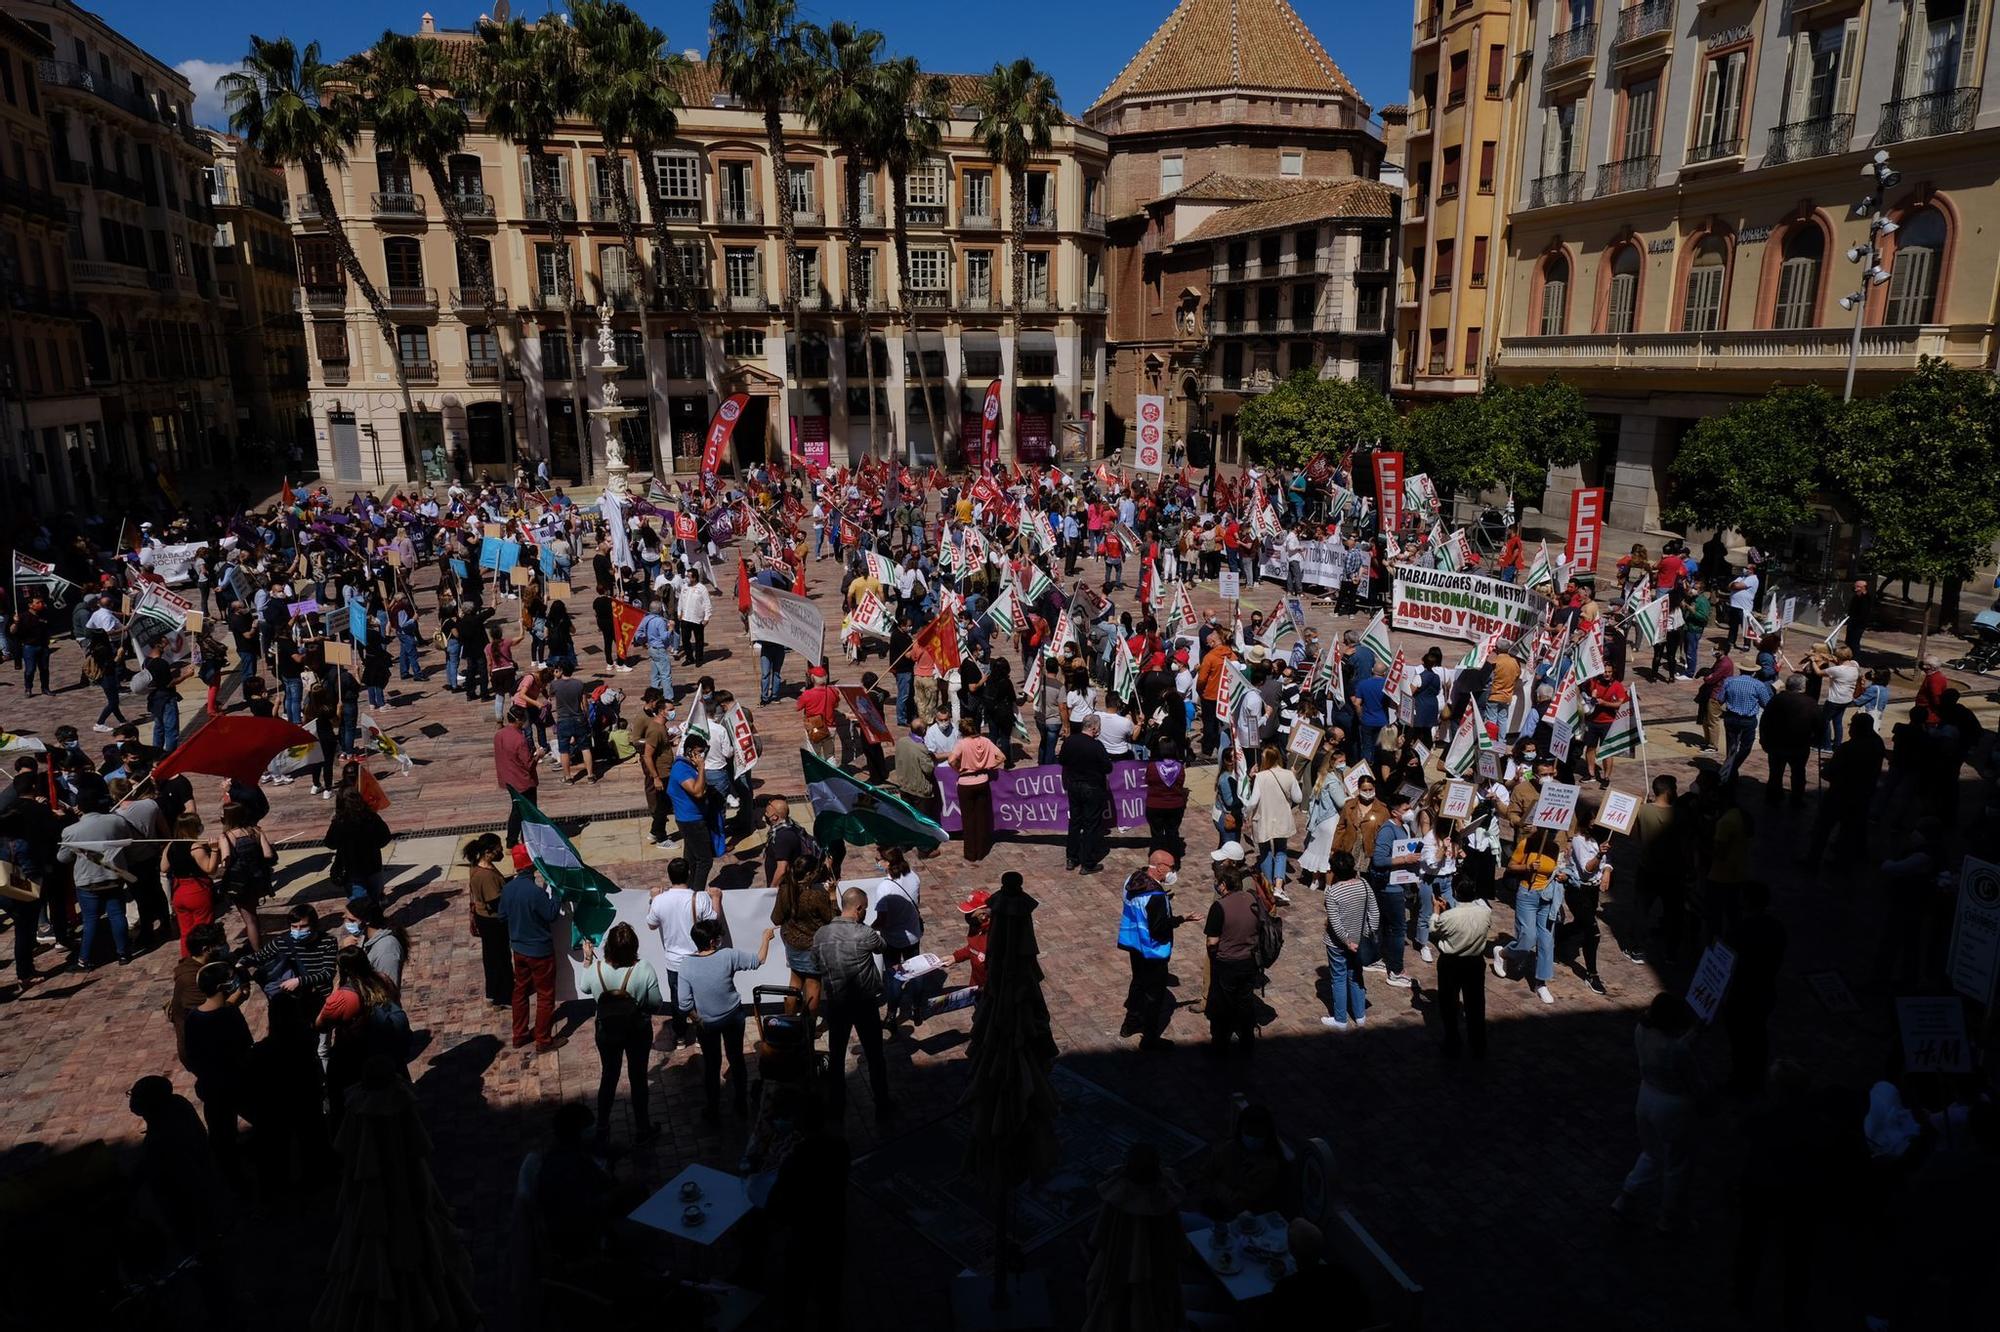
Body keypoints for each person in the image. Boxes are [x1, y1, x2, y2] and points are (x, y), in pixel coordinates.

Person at [1613, 992, 1705, 1232]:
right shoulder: (1676, 1050)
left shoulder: (1642, 1031)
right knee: (1677, 1166)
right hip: (1674, 1108)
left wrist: (1693, 1034)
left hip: (1646, 1097)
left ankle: (1627, 1196)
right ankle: (1670, 1218)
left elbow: (1671, 1050)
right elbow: (1694, 1081)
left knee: (1651, 1153)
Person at [678, 918, 776, 1122]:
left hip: (707, 1023)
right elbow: (759, 960)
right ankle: (741, 1103)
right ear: (713, 942)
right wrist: (766, 939)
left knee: (712, 1066)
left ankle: (712, 1108)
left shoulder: (686, 965)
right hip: (733, 1017)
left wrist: (698, 1021)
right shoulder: (728, 956)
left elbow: (684, 1005)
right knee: (736, 1058)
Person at [576, 922, 665, 1145]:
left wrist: (587, 960)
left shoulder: (596, 969)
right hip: (637, 1031)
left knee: (609, 1076)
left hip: (606, 1031)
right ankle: (642, 1127)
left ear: (607, 949)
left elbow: (585, 988)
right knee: (638, 1078)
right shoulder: (644, 969)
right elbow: (656, 1004)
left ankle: (603, 1125)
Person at [813, 886, 894, 1121]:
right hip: (864, 1003)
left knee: (836, 1056)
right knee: (875, 1055)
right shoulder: (864, 934)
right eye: (865, 909)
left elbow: (816, 964)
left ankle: (837, 1103)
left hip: (836, 1003)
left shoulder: (821, 934)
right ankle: (882, 1102)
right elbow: (883, 947)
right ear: (858, 909)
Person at [57, 778, 135, 968]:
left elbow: (63, 858)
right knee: (117, 914)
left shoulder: (71, 831)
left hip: (87, 880)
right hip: (114, 875)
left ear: (79, 807)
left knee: (90, 919)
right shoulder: (116, 821)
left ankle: (85, 959)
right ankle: (124, 953)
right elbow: (126, 838)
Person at [181, 957, 254, 1162]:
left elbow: (192, 1054)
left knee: (221, 1135)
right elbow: (245, 1046)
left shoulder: (193, 1018)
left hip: (210, 1086)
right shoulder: (230, 1016)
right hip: (237, 1082)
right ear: (223, 986)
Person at [1118, 850, 1190, 1051]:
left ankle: (1129, 1024)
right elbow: (1159, 927)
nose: (1173, 871)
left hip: (1134, 943)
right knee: (1153, 995)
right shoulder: (1156, 896)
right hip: (1153, 950)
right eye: (1171, 867)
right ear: (1159, 868)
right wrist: (1180, 919)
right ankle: (1149, 1038)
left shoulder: (1131, 880)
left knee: (1138, 983)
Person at [644, 855, 719, 1045]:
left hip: (674, 962)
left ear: (669, 876)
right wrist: (717, 899)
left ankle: (679, 1035)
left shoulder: (660, 901)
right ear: (689, 874)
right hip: (698, 959)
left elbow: (651, 925)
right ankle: (703, 1033)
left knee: (678, 1001)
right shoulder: (700, 898)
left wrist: (653, 900)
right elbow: (714, 923)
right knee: (701, 997)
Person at [500, 843, 563, 1052]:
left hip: (518, 950)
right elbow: (552, 914)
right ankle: (543, 1040)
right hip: (540, 952)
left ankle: (519, 1034)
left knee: (520, 992)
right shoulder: (535, 893)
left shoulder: (507, 889)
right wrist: (557, 895)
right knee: (545, 995)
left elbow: (502, 916)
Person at [1496, 826, 1563, 1004]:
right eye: (1550, 831)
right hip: (1527, 894)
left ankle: (1541, 982)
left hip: (1547, 896)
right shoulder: (1527, 844)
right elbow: (1510, 866)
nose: (1553, 834)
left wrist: (1560, 876)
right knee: (1528, 937)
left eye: (1555, 831)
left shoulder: (1555, 848)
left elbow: (1555, 870)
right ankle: (1503, 953)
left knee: (1547, 940)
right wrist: (1528, 866)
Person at [1202, 861, 1262, 1053]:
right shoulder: (1252, 899)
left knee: (1223, 1006)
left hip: (1227, 963)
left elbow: (1212, 941)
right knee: (1245, 1001)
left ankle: (1221, 1045)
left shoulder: (1219, 907)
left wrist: (1213, 958)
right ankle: (1247, 1041)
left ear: (1223, 884)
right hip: (1249, 961)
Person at [1431, 875, 1492, 1057]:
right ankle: (1478, 1043)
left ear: (1455, 892)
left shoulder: (1449, 916)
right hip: (1475, 962)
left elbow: (1434, 929)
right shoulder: (1485, 912)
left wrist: (1436, 911)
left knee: (1448, 1004)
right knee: (1476, 1003)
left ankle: (1453, 1040)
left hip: (1451, 963)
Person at [772, 850, 838, 1012]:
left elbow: (776, 918)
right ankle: (810, 1026)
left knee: (794, 983)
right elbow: (834, 919)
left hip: (793, 944)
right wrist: (832, 896)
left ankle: (789, 1020)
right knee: (813, 984)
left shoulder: (785, 889)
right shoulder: (816, 895)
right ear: (809, 874)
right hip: (813, 946)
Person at [1244, 741, 1304, 905]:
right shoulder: (1289, 775)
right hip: (1282, 817)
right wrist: (1294, 778)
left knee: (1265, 852)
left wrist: (1246, 813)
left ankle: (1269, 886)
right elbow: (1298, 798)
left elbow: (1253, 800)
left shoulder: (1260, 777)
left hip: (1263, 818)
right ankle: (1279, 886)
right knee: (1281, 851)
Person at [946, 713, 1006, 862]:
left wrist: (959, 769)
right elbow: (1001, 757)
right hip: (982, 781)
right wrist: (988, 766)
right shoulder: (985, 741)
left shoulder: (962, 744)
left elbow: (951, 760)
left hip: (966, 783)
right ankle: (981, 850)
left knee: (968, 819)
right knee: (981, 817)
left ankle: (971, 853)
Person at [1061, 708, 1115, 872]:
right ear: (1093, 728)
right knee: (1091, 825)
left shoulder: (1069, 741)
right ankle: (1088, 863)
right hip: (1092, 788)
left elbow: (1062, 760)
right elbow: (1107, 768)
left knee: (1075, 822)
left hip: (1074, 787)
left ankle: (1072, 857)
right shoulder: (1096, 746)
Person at [463, 834, 512, 1007]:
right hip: (493, 923)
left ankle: (495, 992)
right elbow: (497, 902)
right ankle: (503, 995)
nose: (501, 853)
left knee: (492, 957)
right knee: (499, 958)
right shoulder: (485, 877)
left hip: (486, 919)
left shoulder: (479, 867)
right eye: (498, 850)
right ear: (488, 852)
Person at [323, 785, 393, 906]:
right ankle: (376, 919)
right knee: (375, 899)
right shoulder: (371, 817)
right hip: (373, 865)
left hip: (352, 870)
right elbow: (385, 837)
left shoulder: (340, 822)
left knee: (359, 905)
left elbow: (330, 843)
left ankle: (365, 921)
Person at [1758, 674, 1819, 806]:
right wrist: (1816, 738)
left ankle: (1774, 795)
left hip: (1777, 743)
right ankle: (1796, 799)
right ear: (1803, 687)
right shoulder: (1810, 702)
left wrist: (1763, 739)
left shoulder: (1777, 700)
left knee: (1775, 772)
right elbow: (1819, 724)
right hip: (1799, 745)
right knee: (1798, 773)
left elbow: (1765, 721)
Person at [668, 735, 714, 892]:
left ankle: (687, 888)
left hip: (694, 818)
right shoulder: (681, 769)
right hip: (691, 821)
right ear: (690, 751)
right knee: (705, 860)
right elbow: (697, 792)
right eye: (699, 752)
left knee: (691, 859)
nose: (702, 756)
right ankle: (697, 894)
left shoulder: (688, 767)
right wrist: (701, 768)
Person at [166, 833, 221, 957]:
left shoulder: (170, 844)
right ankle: (202, 960)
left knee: (185, 931)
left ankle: (187, 960)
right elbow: (210, 869)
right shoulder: (195, 847)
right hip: (196, 890)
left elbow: (164, 867)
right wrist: (214, 849)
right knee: (203, 930)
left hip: (179, 891)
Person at [343, 895, 409, 991]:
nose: (346, 923)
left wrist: (348, 955)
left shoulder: (387, 950)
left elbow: (389, 989)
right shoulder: (364, 938)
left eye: (352, 920)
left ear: (366, 921)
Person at [494, 706, 538, 846]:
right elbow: (529, 764)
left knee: (517, 808)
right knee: (526, 811)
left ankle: (513, 840)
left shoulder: (499, 734)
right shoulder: (520, 740)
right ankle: (524, 840)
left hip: (508, 778)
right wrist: (538, 755)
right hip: (523, 781)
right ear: (519, 720)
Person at [549, 662, 597, 784]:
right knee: (585, 748)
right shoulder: (579, 684)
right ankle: (590, 775)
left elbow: (551, 695)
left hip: (563, 719)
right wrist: (586, 716)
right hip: (578, 718)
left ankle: (568, 777)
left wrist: (556, 677)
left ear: (561, 670)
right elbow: (585, 703)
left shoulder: (555, 684)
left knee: (564, 750)